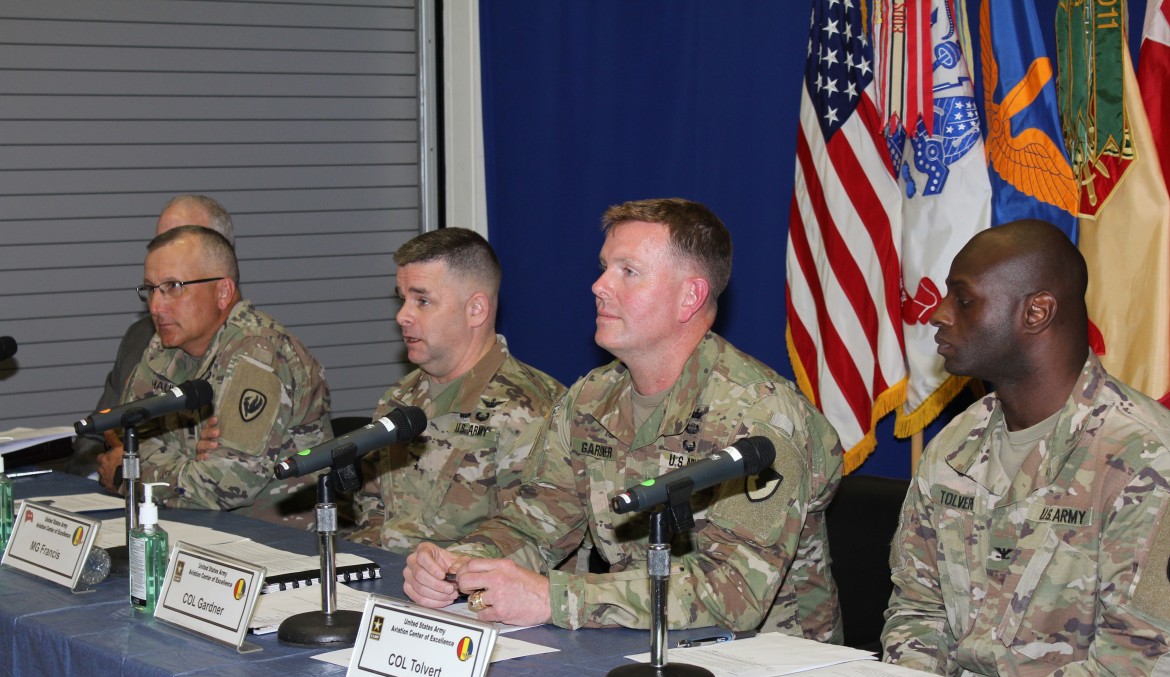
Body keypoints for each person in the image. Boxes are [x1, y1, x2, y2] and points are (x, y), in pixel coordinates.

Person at [404, 198, 844, 638]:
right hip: (631, 643)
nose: (599, 285)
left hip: (764, 663)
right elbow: (533, 525)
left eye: (628, 271)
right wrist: (460, 562)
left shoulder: (762, 414)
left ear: (689, 297)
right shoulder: (590, 399)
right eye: (604, 267)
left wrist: (552, 598)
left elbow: (733, 593)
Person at [881, 219, 1170, 677]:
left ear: (1036, 312)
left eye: (964, 299)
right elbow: (917, 607)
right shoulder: (956, 446)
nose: (939, 313)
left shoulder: (1157, 463)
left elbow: (1141, 674)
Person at [96, 225, 333, 529]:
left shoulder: (259, 353)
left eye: (173, 286)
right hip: (191, 529)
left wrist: (129, 477)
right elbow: (125, 438)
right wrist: (191, 462)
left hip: (272, 541)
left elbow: (225, 485)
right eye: (151, 289)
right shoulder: (165, 347)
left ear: (222, 292)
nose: (155, 306)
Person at [349, 227, 564, 554]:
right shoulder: (401, 396)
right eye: (403, 299)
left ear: (476, 309)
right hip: (391, 576)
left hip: (467, 582)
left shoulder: (532, 408)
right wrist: (365, 562)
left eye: (422, 300)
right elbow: (372, 502)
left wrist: (443, 572)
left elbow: (536, 540)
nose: (402, 316)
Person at [66, 195, 236, 477]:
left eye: (182, 240)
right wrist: (108, 472)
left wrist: (133, 469)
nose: (165, 252)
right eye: (160, 241)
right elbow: (94, 436)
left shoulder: (251, 349)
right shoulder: (141, 337)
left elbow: (221, 473)